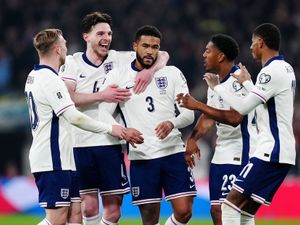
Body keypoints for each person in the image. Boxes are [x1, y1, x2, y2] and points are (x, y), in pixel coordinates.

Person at [59, 12, 169, 225]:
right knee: (88, 206)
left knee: (114, 209)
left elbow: (163, 54)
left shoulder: (119, 58)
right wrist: (102, 95)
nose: (107, 38)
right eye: (100, 33)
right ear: (86, 37)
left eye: (109, 33)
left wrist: (150, 71)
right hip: (79, 142)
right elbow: (69, 98)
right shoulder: (72, 63)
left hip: (110, 141)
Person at [24, 29, 126, 225]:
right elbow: (73, 117)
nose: (66, 48)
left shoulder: (33, 75)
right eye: (64, 44)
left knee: (75, 217)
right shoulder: (50, 80)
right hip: (52, 159)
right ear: (57, 49)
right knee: (57, 220)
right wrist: (109, 128)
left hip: (65, 159)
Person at [98, 25, 196, 225]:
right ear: (135, 46)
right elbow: (103, 113)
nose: (150, 51)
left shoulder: (172, 73)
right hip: (142, 156)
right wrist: (123, 132)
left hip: (173, 152)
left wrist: (172, 122)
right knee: (149, 220)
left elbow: (188, 114)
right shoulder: (119, 76)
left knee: (184, 211)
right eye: (145, 46)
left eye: (155, 47)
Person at [204, 23, 296, 225]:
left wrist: (218, 88)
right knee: (245, 212)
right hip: (282, 151)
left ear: (261, 42)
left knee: (228, 206)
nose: (251, 47)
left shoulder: (269, 71)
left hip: (271, 150)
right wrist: (247, 83)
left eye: (253, 43)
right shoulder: (286, 68)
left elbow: (243, 108)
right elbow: (261, 102)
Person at [176, 34, 257, 225]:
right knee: (218, 211)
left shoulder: (239, 81)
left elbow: (235, 118)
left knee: (228, 210)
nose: (203, 54)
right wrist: (193, 139)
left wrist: (197, 105)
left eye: (208, 50)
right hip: (221, 154)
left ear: (220, 56)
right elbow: (208, 117)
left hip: (240, 153)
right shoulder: (217, 83)